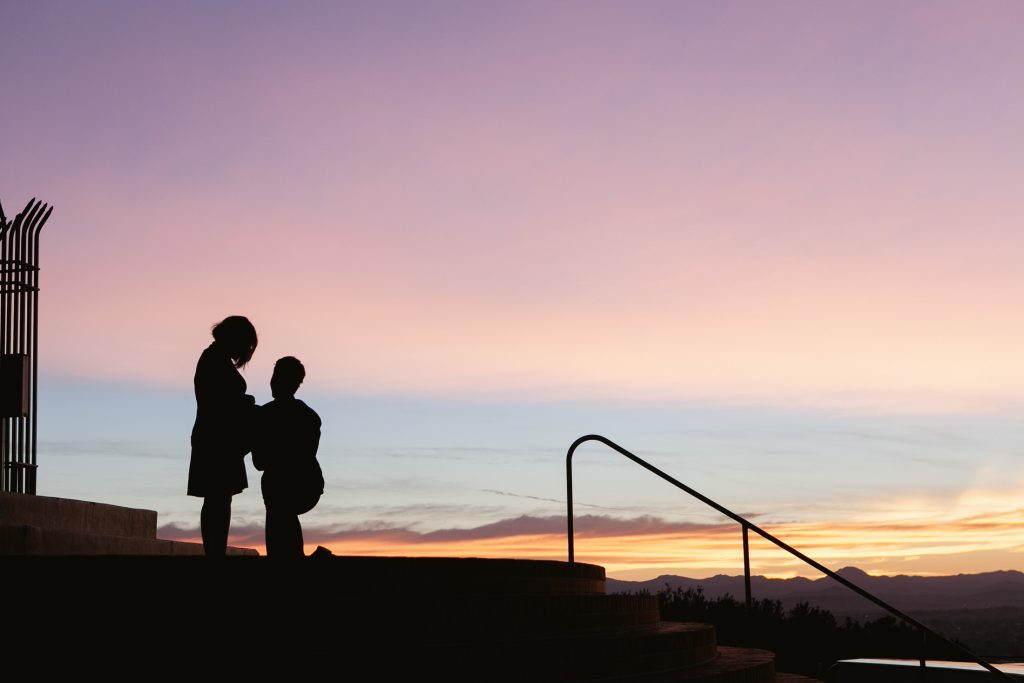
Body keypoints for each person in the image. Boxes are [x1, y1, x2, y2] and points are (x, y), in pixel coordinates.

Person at [187, 315, 258, 556]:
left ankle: (215, 553)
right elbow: (220, 402)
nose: (246, 351)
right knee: (218, 497)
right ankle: (215, 554)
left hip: (219, 436)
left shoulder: (214, 358)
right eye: (246, 344)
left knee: (220, 497)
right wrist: (245, 404)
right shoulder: (214, 360)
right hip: (217, 438)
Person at [252, 356, 324, 558]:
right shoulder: (309, 415)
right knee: (281, 503)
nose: (274, 382)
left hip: (296, 483)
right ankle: (291, 557)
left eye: (278, 377)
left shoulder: (266, 414)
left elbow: (260, 462)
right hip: (308, 483)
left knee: (277, 491)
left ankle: (286, 559)